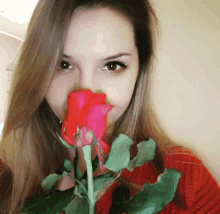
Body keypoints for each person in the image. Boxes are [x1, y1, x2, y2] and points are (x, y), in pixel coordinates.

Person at [0, 0, 220, 213]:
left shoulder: (186, 177)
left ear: (139, 72)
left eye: (112, 65)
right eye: (63, 64)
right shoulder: (5, 175)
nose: (86, 91)